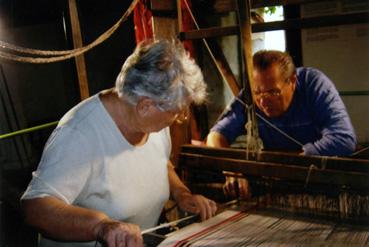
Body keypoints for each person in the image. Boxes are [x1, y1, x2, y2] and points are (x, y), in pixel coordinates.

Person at [21, 39, 217, 247]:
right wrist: (101, 226)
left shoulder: (152, 122)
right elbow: (35, 208)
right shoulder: (79, 133)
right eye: (177, 113)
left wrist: (182, 194)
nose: (179, 119)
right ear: (145, 106)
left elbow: (160, 164)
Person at [206, 50, 357, 198]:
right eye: (258, 93)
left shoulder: (314, 85)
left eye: (273, 92)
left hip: (320, 185)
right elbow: (215, 136)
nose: (263, 101)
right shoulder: (249, 96)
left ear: (292, 82)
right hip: (276, 185)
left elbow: (344, 138)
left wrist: (297, 163)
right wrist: (231, 172)